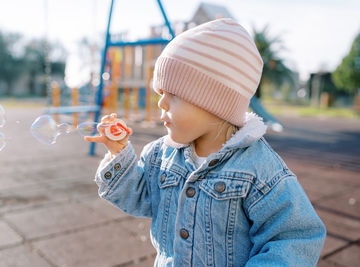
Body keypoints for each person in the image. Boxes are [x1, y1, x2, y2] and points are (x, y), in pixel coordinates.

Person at [85, 18, 326, 266]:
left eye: (174, 94)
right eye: (161, 93)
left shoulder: (258, 169)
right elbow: (137, 197)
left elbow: (295, 237)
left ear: (214, 103)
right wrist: (118, 153)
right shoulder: (160, 155)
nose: (161, 103)